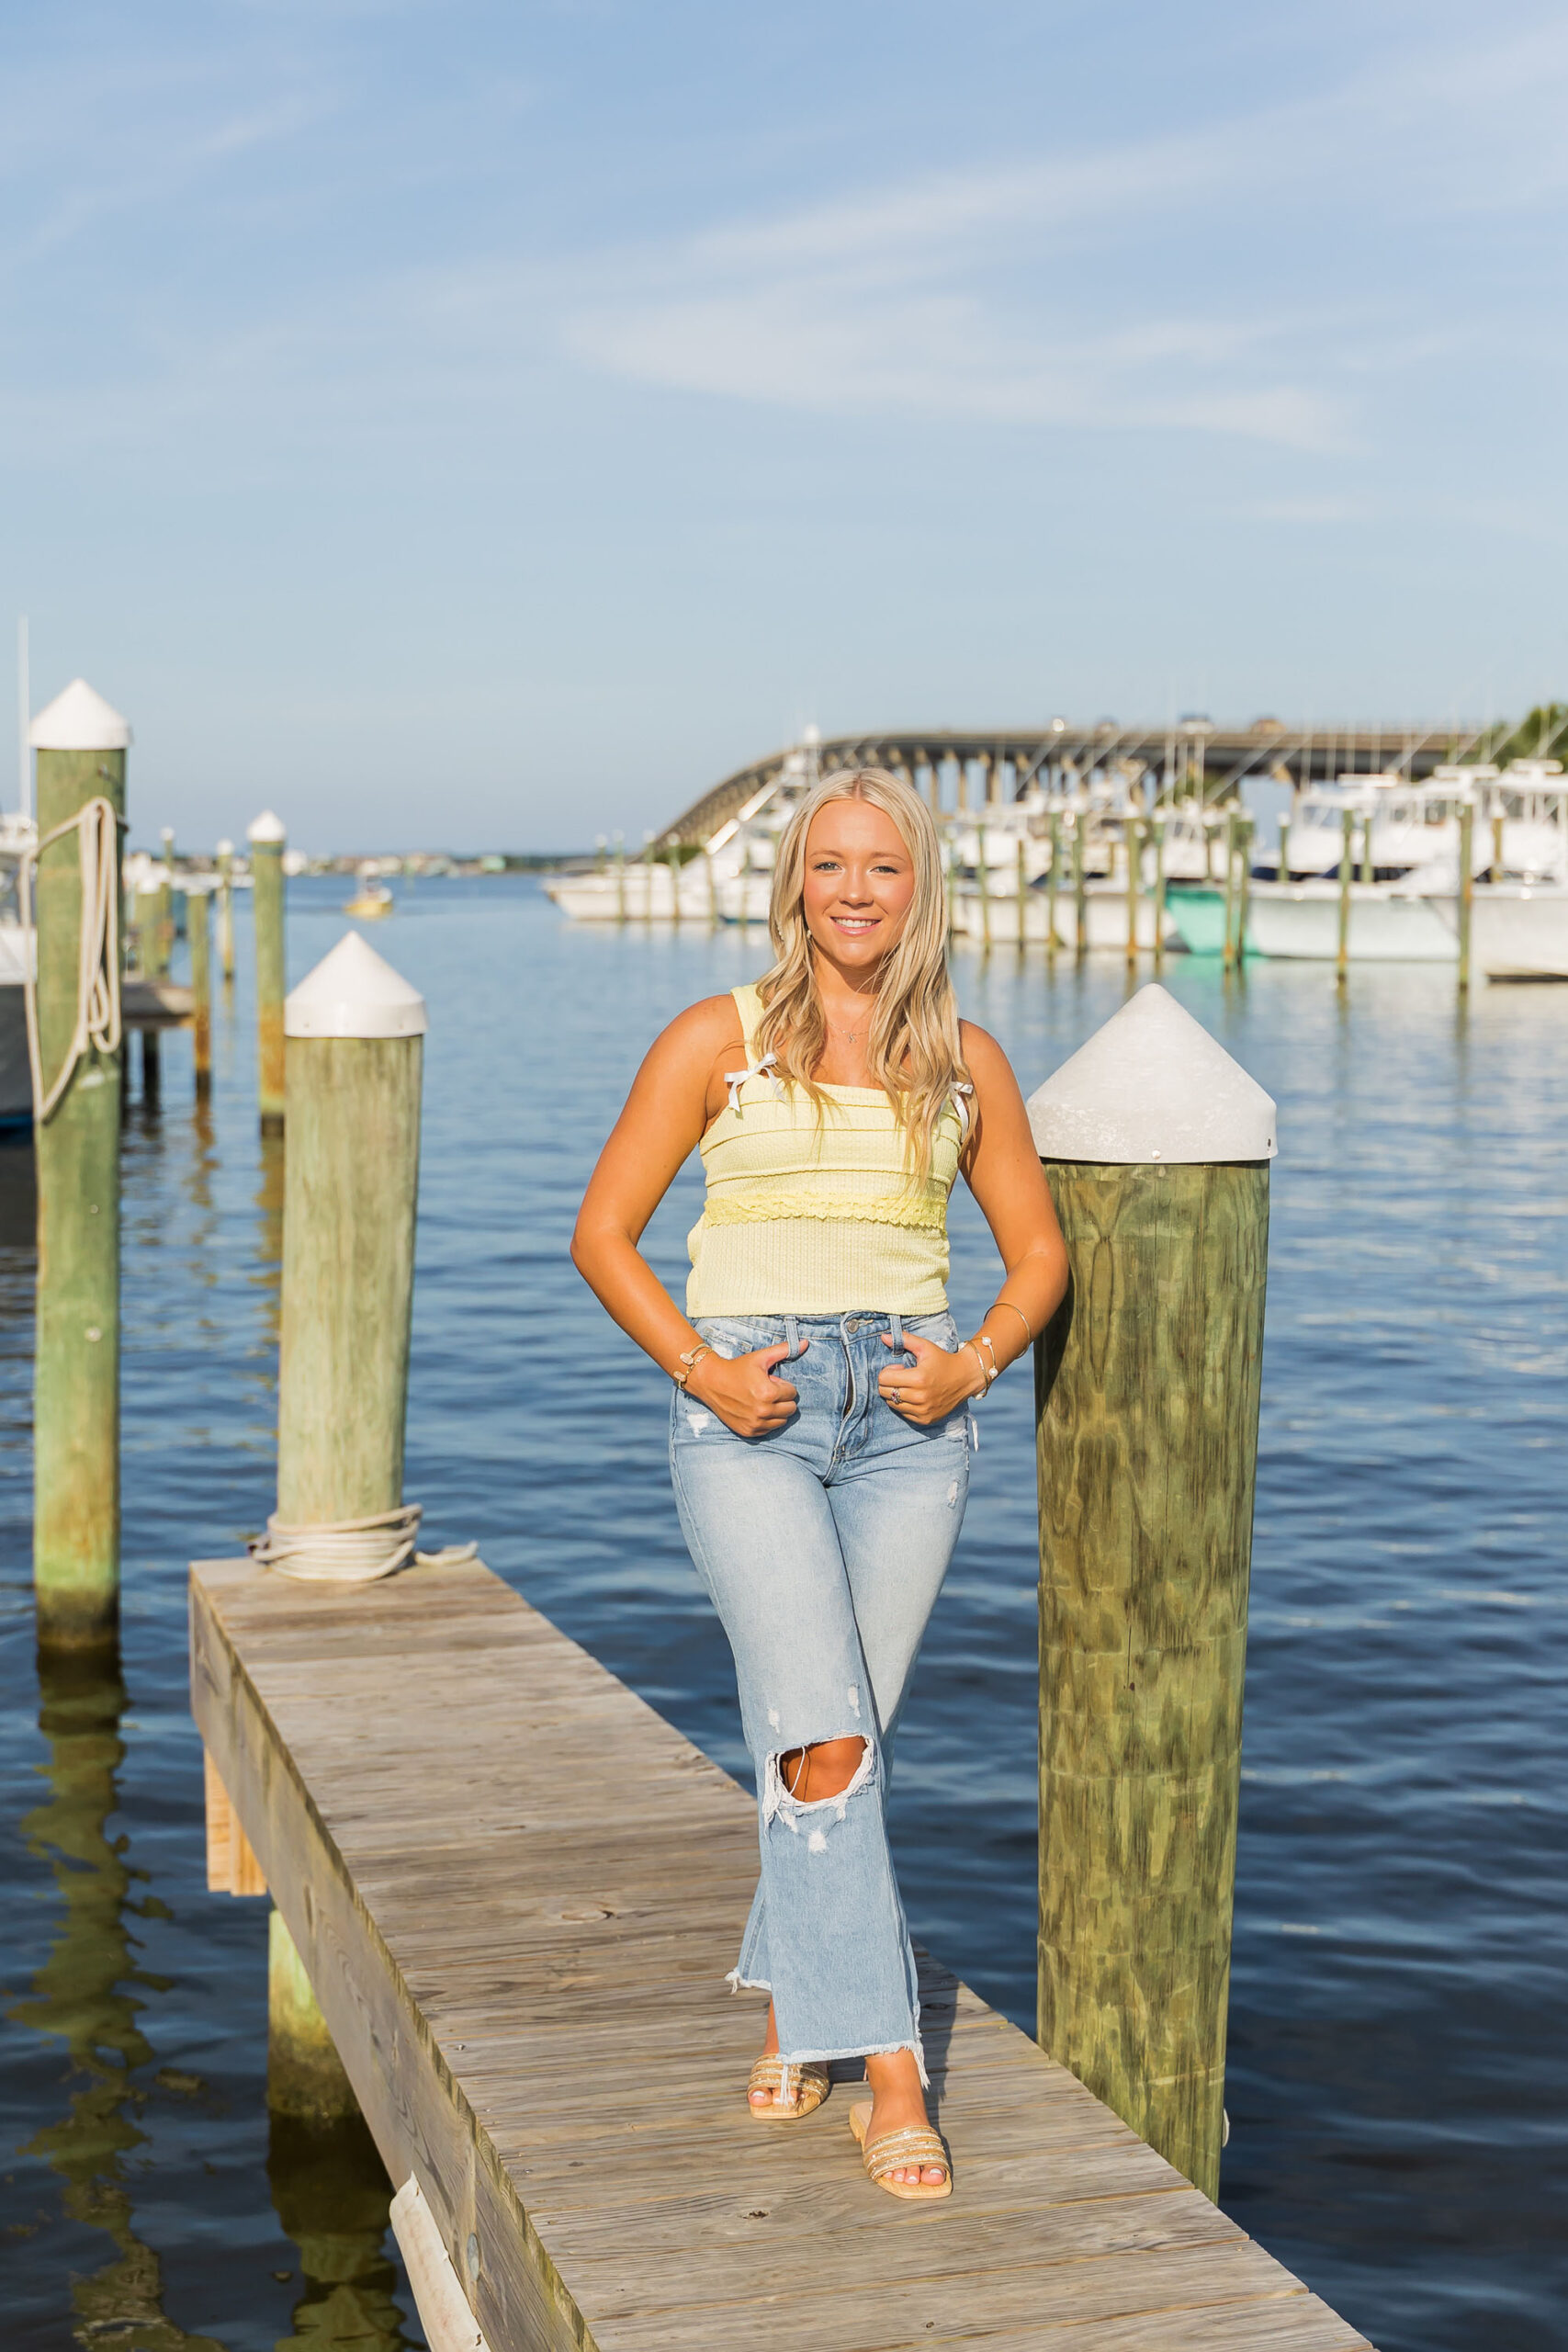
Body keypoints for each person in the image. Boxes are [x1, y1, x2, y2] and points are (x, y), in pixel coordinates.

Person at [571, 766, 1067, 2201]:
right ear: (796, 882)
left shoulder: (966, 1061)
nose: (854, 890)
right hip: (752, 1416)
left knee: (830, 1736)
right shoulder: (713, 1042)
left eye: (884, 867)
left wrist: (972, 1365)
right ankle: (892, 2069)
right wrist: (700, 1371)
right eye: (830, 865)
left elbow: (1038, 1255)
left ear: (922, 888)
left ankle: (800, 2009)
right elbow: (606, 1232)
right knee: (828, 1751)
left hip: (913, 1434)